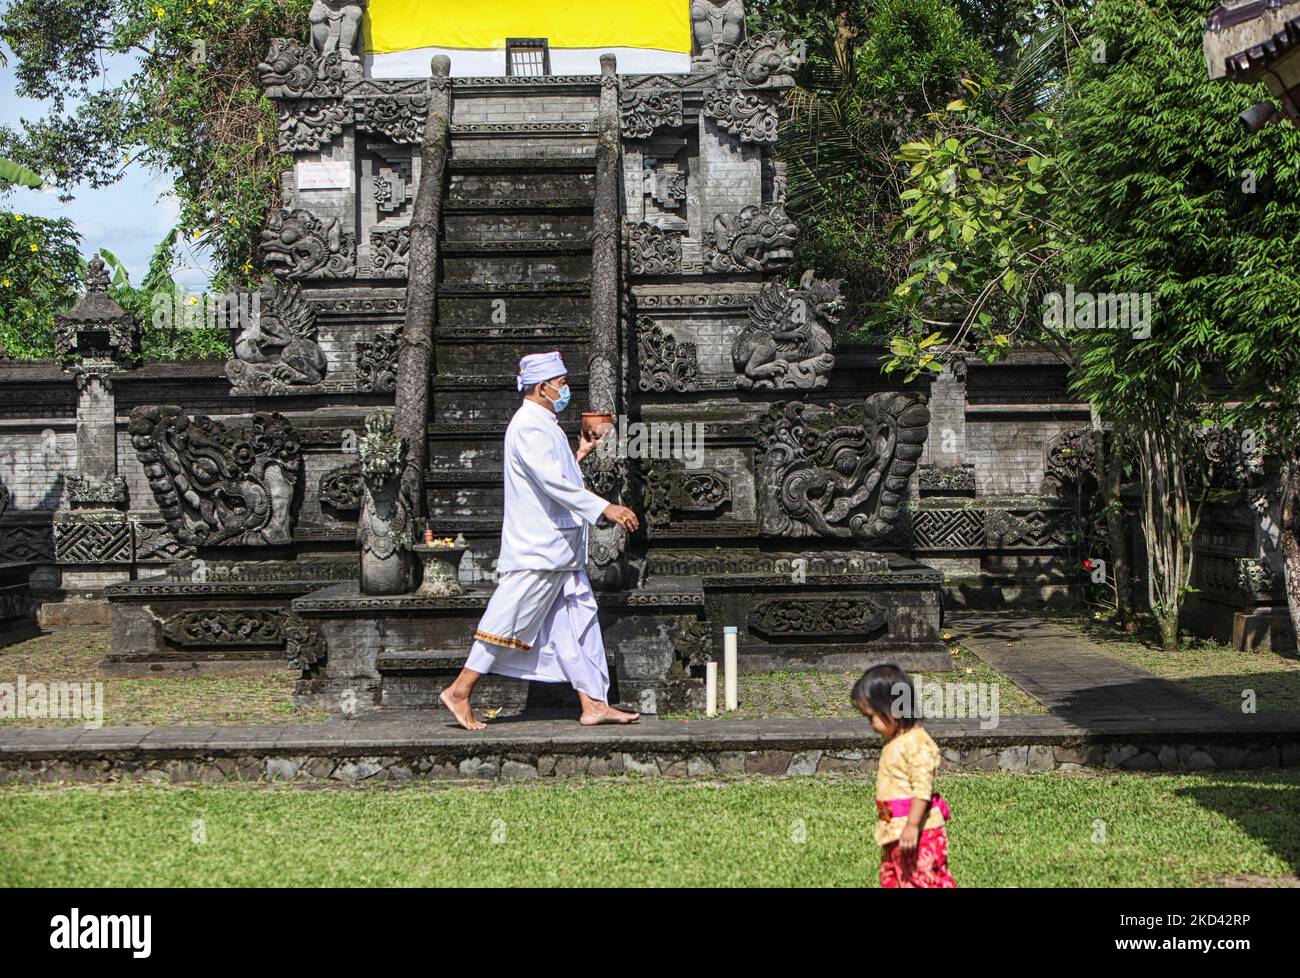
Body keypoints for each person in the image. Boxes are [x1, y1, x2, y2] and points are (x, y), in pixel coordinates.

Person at [438, 351, 642, 730]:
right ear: (542, 387)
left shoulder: (543, 423)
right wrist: (606, 508)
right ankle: (459, 690)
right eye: (561, 384)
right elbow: (553, 484)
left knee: (576, 625)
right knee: (507, 618)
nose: (565, 390)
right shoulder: (529, 426)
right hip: (538, 551)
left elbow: (556, 475)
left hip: (558, 551)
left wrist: (579, 453)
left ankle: (594, 703)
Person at [851, 664, 957, 888]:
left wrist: (912, 825)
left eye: (872, 717)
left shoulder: (917, 744)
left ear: (894, 709)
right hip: (894, 832)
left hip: (919, 833)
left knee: (922, 881)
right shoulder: (897, 743)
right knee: (894, 880)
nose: (871, 725)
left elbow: (922, 789)